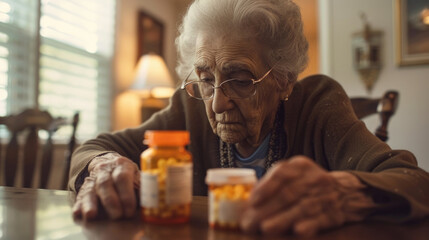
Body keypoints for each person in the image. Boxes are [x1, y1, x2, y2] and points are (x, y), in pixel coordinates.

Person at [70, 0, 429, 236]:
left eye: (239, 80)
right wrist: (104, 165)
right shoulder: (189, 107)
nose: (216, 104)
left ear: (284, 78)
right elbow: (96, 147)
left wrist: (344, 191)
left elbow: (413, 180)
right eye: (206, 79)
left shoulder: (318, 103)